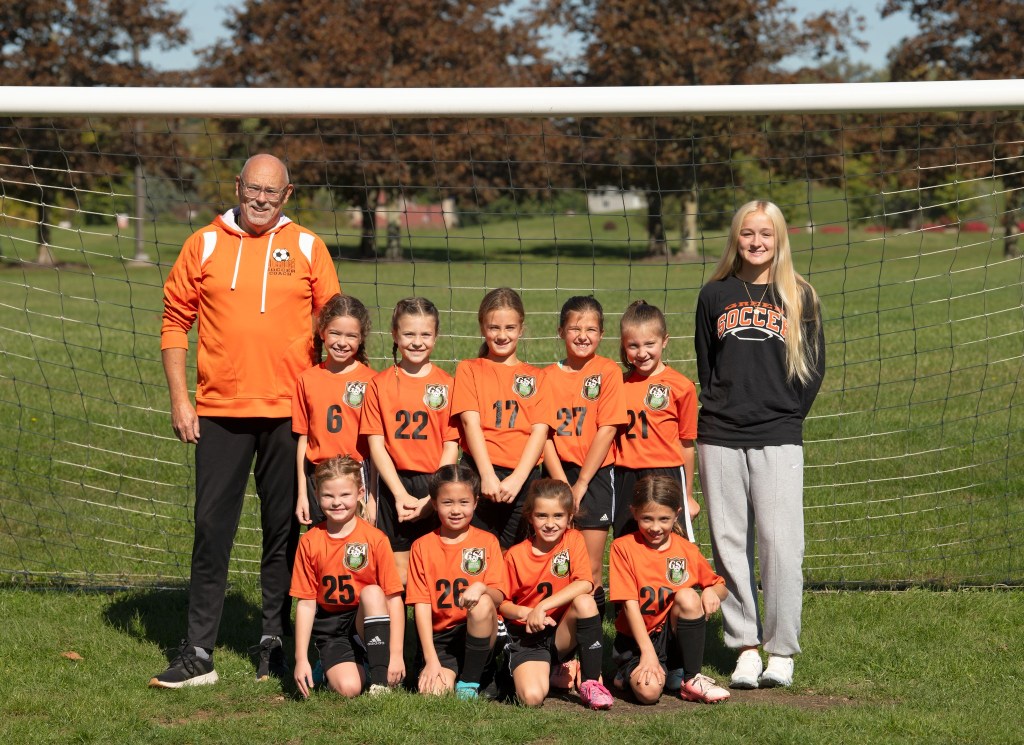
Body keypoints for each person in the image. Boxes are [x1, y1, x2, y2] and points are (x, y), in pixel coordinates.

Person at [152, 153, 341, 688]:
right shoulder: (204, 244)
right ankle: (198, 652)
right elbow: (174, 321)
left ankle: (273, 642)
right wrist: (180, 400)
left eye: (271, 192)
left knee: (284, 530)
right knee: (211, 529)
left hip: (290, 415)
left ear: (287, 195)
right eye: (253, 188)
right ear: (238, 186)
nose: (260, 199)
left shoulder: (308, 247)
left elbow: (336, 329)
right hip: (220, 412)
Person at [694, 199, 825, 689]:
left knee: (781, 546)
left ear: (779, 239)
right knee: (729, 545)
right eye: (747, 233)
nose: (756, 242)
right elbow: (707, 365)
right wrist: (725, 408)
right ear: (736, 237)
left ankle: (782, 651)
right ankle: (745, 647)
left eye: (765, 234)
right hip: (720, 434)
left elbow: (813, 369)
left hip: (777, 434)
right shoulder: (714, 294)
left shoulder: (800, 295)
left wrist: (784, 415)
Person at [360, 297, 459, 585]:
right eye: (409, 334)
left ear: (436, 336)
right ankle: (398, 617)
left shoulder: (447, 384)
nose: (417, 342)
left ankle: (431, 617)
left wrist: (433, 495)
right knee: (398, 572)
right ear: (394, 334)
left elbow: (451, 445)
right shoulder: (379, 384)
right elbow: (376, 445)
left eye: (425, 334)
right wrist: (399, 494)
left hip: (434, 483)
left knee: (435, 568)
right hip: (394, 483)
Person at [290, 456, 405, 698]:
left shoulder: (375, 539)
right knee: (349, 688)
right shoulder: (310, 541)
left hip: (365, 618)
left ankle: (380, 681)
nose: (336, 502)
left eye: (344, 494)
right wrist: (301, 659)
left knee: (373, 592)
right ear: (317, 495)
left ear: (360, 493)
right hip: (332, 627)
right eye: (328, 496)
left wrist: (396, 654)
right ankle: (332, 663)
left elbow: (394, 598)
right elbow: (306, 604)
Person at [609, 476, 730, 705]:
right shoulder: (622, 547)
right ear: (634, 513)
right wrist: (647, 653)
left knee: (688, 596)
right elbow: (629, 605)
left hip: (670, 637)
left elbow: (721, 587)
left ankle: (691, 678)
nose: (655, 527)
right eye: (647, 518)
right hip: (636, 640)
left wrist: (712, 592)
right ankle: (629, 670)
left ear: (677, 514)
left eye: (664, 519)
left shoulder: (686, 549)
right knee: (649, 694)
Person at [541, 295, 626, 620]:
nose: (582, 335)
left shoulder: (607, 371)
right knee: (555, 561)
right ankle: (556, 637)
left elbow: (607, 430)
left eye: (591, 329)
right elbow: (544, 435)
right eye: (575, 328)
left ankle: (590, 644)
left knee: (590, 569)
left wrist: (581, 484)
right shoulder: (546, 377)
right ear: (560, 331)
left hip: (595, 476)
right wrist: (563, 483)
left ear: (601, 334)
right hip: (556, 474)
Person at [451, 288, 552, 550]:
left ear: (521, 329)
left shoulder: (537, 377)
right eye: (494, 327)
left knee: (517, 555)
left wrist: (518, 478)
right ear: (482, 327)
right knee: (475, 553)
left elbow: (540, 432)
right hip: (480, 473)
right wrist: (486, 475)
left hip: (523, 478)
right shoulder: (469, 369)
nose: (502, 335)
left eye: (510, 327)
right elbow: (470, 423)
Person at [500, 478, 613, 710]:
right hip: (528, 638)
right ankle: (532, 669)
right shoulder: (515, 555)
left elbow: (585, 583)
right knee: (532, 699)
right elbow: (503, 604)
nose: (550, 524)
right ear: (530, 517)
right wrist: (528, 613)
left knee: (586, 602)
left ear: (570, 517)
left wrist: (543, 606)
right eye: (542, 516)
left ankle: (591, 683)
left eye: (558, 516)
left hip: (560, 633)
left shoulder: (573, 539)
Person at [405, 464, 508, 699]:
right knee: (433, 694)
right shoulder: (421, 546)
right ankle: (451, 670)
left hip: (479, 629)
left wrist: (481, 587)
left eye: (463, 502)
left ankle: (475, 678)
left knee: (482, 602)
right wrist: (431, 659)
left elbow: (498, 597)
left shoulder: (488, 541)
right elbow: (421, 606)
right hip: (441, 638)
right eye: (447, 502)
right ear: (434, 504)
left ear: (475, 502)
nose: (455, 510)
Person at [614, 299, 699, 539]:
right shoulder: (617, 384)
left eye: (649, 344)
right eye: (633, 345)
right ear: (624, 345)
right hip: (625, 475)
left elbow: (686, 443)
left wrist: (688, 495)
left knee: (671, 542)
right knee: (627, 540)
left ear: (665, 341)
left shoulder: (681, 386)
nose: (642, 353)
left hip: (666, 472)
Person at [292, 294, 376, 527]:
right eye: (335, 333)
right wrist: (302, 494)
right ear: (322, 332)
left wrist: (372, 498)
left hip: (356, 474)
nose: (342, 342)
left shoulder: (372, 381)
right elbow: (303, 439)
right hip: (318, 476)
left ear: (361, 338)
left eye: (351, 336)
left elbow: (376, 444)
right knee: (323, 541)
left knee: (358, 542)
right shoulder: (307, 379)